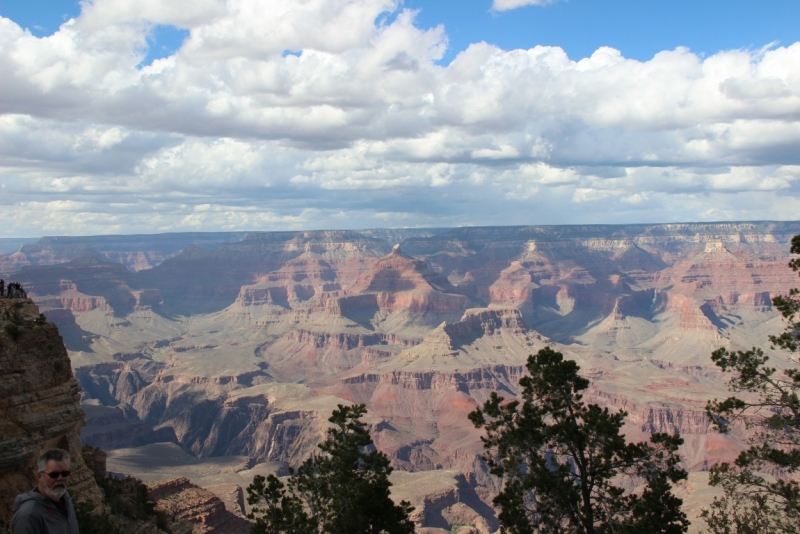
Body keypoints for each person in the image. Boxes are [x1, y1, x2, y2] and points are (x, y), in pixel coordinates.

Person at [11, 448, 79, 534]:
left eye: (65, 473)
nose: (60, 479)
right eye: (54, 474)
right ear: (40, 476)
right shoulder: (28, 515)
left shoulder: (65, 498)